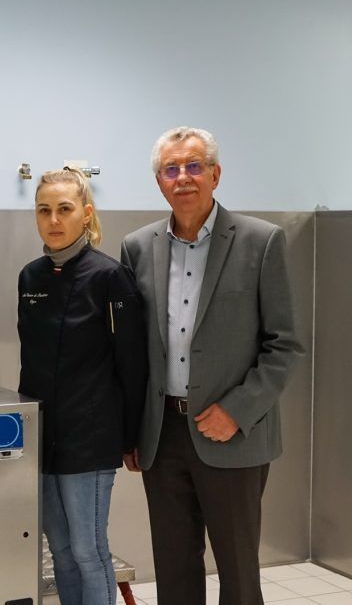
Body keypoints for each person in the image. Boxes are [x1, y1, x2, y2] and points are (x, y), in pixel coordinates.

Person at [120, 127, 302, 605]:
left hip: (232, 435)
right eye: (171, 169)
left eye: (194, 166)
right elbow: (134, 352)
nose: (184, 177)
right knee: (174, 570)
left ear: (215, 175)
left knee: (239, 574)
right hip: (163, 438)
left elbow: (285, 345)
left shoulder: (261, 242)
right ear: (159, 181)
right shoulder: (137, 248)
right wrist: (133, 431)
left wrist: (237, 410)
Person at [17, 168, 147, 605]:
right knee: (60, 551)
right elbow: (28, 363)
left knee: (89, 551)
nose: (54, 219)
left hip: (90, 438)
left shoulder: (110, 277)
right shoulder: (30, 277)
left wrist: (131, 437)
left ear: (86, 214)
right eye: (44, 210)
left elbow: (132, 364)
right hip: (43, 439)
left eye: (65, 209)